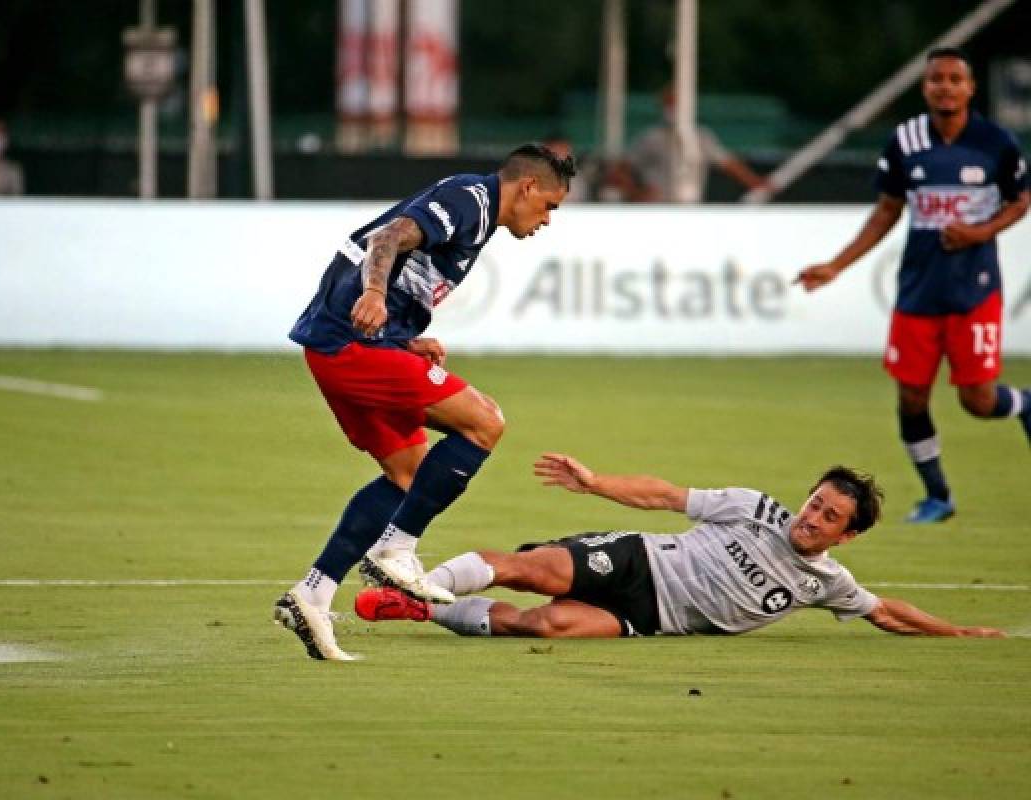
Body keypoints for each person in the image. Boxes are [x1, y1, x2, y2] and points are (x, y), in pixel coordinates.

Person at [275, 143, 576, 661]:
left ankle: (313, 594)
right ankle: (396, 549)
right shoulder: (471, 199)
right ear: (527, 187)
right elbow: (387, 237)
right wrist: (371, 294)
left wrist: (402, 339)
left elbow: (397, 274)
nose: (548, 219)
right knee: (485, 421)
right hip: (348, 347)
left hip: (348, 346)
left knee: (410, 475)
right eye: (549, 205)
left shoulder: (476, 218)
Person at [355, 452, 1006, 639]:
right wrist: (596, 483)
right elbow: (667, 496)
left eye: (828, 516)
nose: (810, 517)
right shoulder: (754, 507)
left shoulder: (827, 583)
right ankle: (411, 579)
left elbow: (885, 611)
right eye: (814, 502)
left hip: (652, 618)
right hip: (641, 557)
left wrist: (958, 633)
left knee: (547, 625)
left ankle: (427, 608)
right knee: (530, 572)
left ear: (848, 534)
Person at [796, 48, 1030, 524]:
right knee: (911, 397)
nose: (944, 86)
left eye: (953, 79)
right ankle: (937, 496)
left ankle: (1026, 404)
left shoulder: (995, 142)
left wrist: (980, 233)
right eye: (935, 79)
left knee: (978, 401)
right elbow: (887, 211)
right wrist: (837, 265)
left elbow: (1020, 200)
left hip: (974, 291)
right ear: (925, 88)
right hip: (918, 292)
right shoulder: (905, 141)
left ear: (970, 88)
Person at [623, 84, 769, 202]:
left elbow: (728, 163)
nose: (673, 108)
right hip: (656, 211)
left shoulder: (702, 137)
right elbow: (620, 170)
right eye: (669, 103)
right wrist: (636, 193)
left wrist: (757, 183)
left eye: (676, 103)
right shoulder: (650, 138)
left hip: (689, 209)